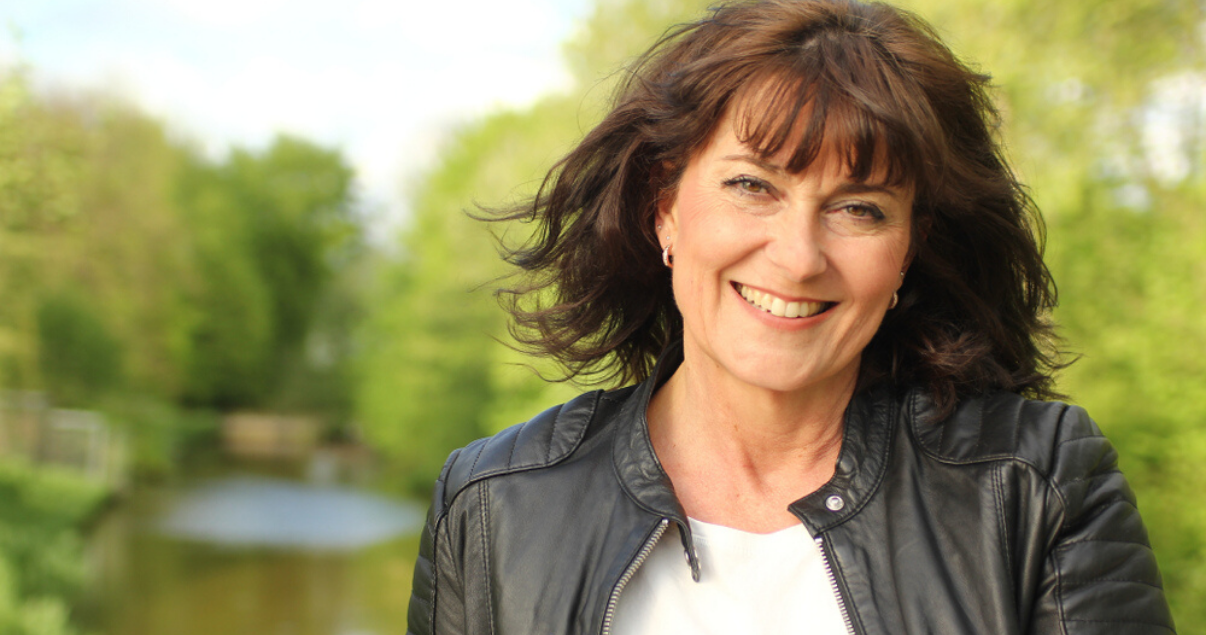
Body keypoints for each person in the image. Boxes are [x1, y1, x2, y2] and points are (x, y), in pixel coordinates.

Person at [406, 0, 1175, 632]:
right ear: (665, 207)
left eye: (859, 208)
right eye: (753, 186)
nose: (799, 255)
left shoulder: (1035, 487)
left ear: (909, 248)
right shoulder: (495, 501)